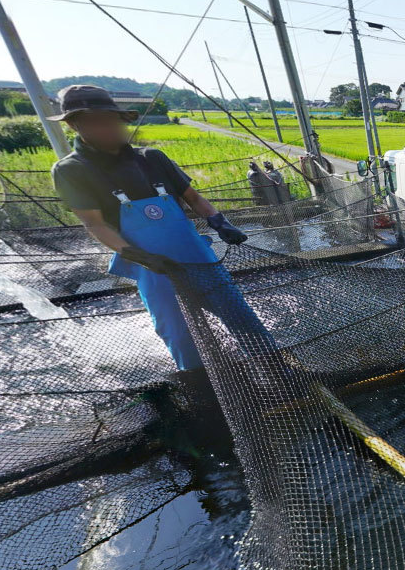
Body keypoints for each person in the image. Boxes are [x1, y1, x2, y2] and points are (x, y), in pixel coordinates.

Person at [50, 85, 265, 371]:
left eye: (111, 119)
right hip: (152, 267)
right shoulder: (71, 170)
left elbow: (194, 198)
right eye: (95, 121)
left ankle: (275, 365)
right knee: (177, 331)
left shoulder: (152, 158)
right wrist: (140, 256)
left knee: (239, 314)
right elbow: (95, 223)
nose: (108, 127)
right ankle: (201, 385)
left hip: (196, 256)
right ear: (75, 124)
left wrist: (219, 222)